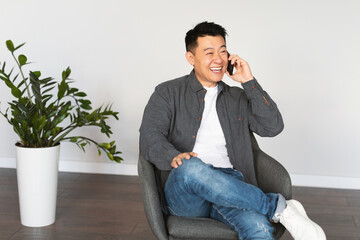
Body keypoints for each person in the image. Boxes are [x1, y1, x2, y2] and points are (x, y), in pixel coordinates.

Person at [140, 21, 326, 240]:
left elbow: (273, 127)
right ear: (191, 58)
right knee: (190, 166)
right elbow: (150, 137)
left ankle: (273, 209)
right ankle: (279, 208)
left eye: (223, 51)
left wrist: (249, 81)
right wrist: (173, 157)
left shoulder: (237, 97)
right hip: (187, 190)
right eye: (209, 52)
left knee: (258, 228)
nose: (218, 59)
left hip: (233, 186)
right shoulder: (167, 92)